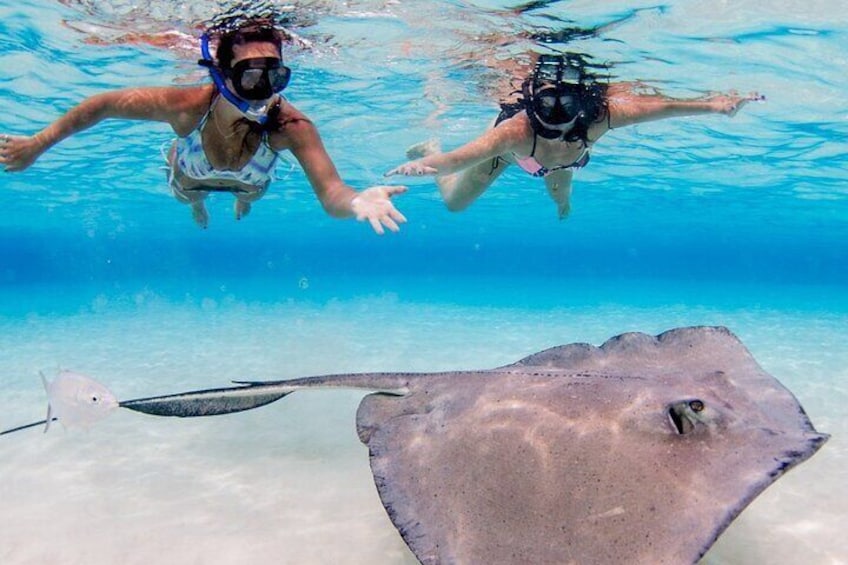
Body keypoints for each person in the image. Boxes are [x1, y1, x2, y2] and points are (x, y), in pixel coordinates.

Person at [0, 20, 407, 233]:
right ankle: (200, 204)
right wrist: (38, 143)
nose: (263, 92)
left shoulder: (291, 125)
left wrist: (356, 201)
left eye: (274, 77)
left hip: (250, 182)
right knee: (186, 196)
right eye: (250, 77)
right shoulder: (188, 107)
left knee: (251, 195)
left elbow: (332, 191)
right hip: (191, 178)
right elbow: (104, 105)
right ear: (221, 76)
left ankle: (240, 201)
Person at [385, 53, 763, 219]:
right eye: (548, 104)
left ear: (583, 102)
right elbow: (458, 160)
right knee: (454, 203)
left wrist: (717, 106)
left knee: (560, 194)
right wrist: (423, 163)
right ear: (532, 102)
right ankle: (428, 141)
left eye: (567, 102)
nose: (559, 113)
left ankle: (563, 205)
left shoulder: (601, 116)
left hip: (566, 162)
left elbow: (663, 108)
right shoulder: (515, 131)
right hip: (517, 156)